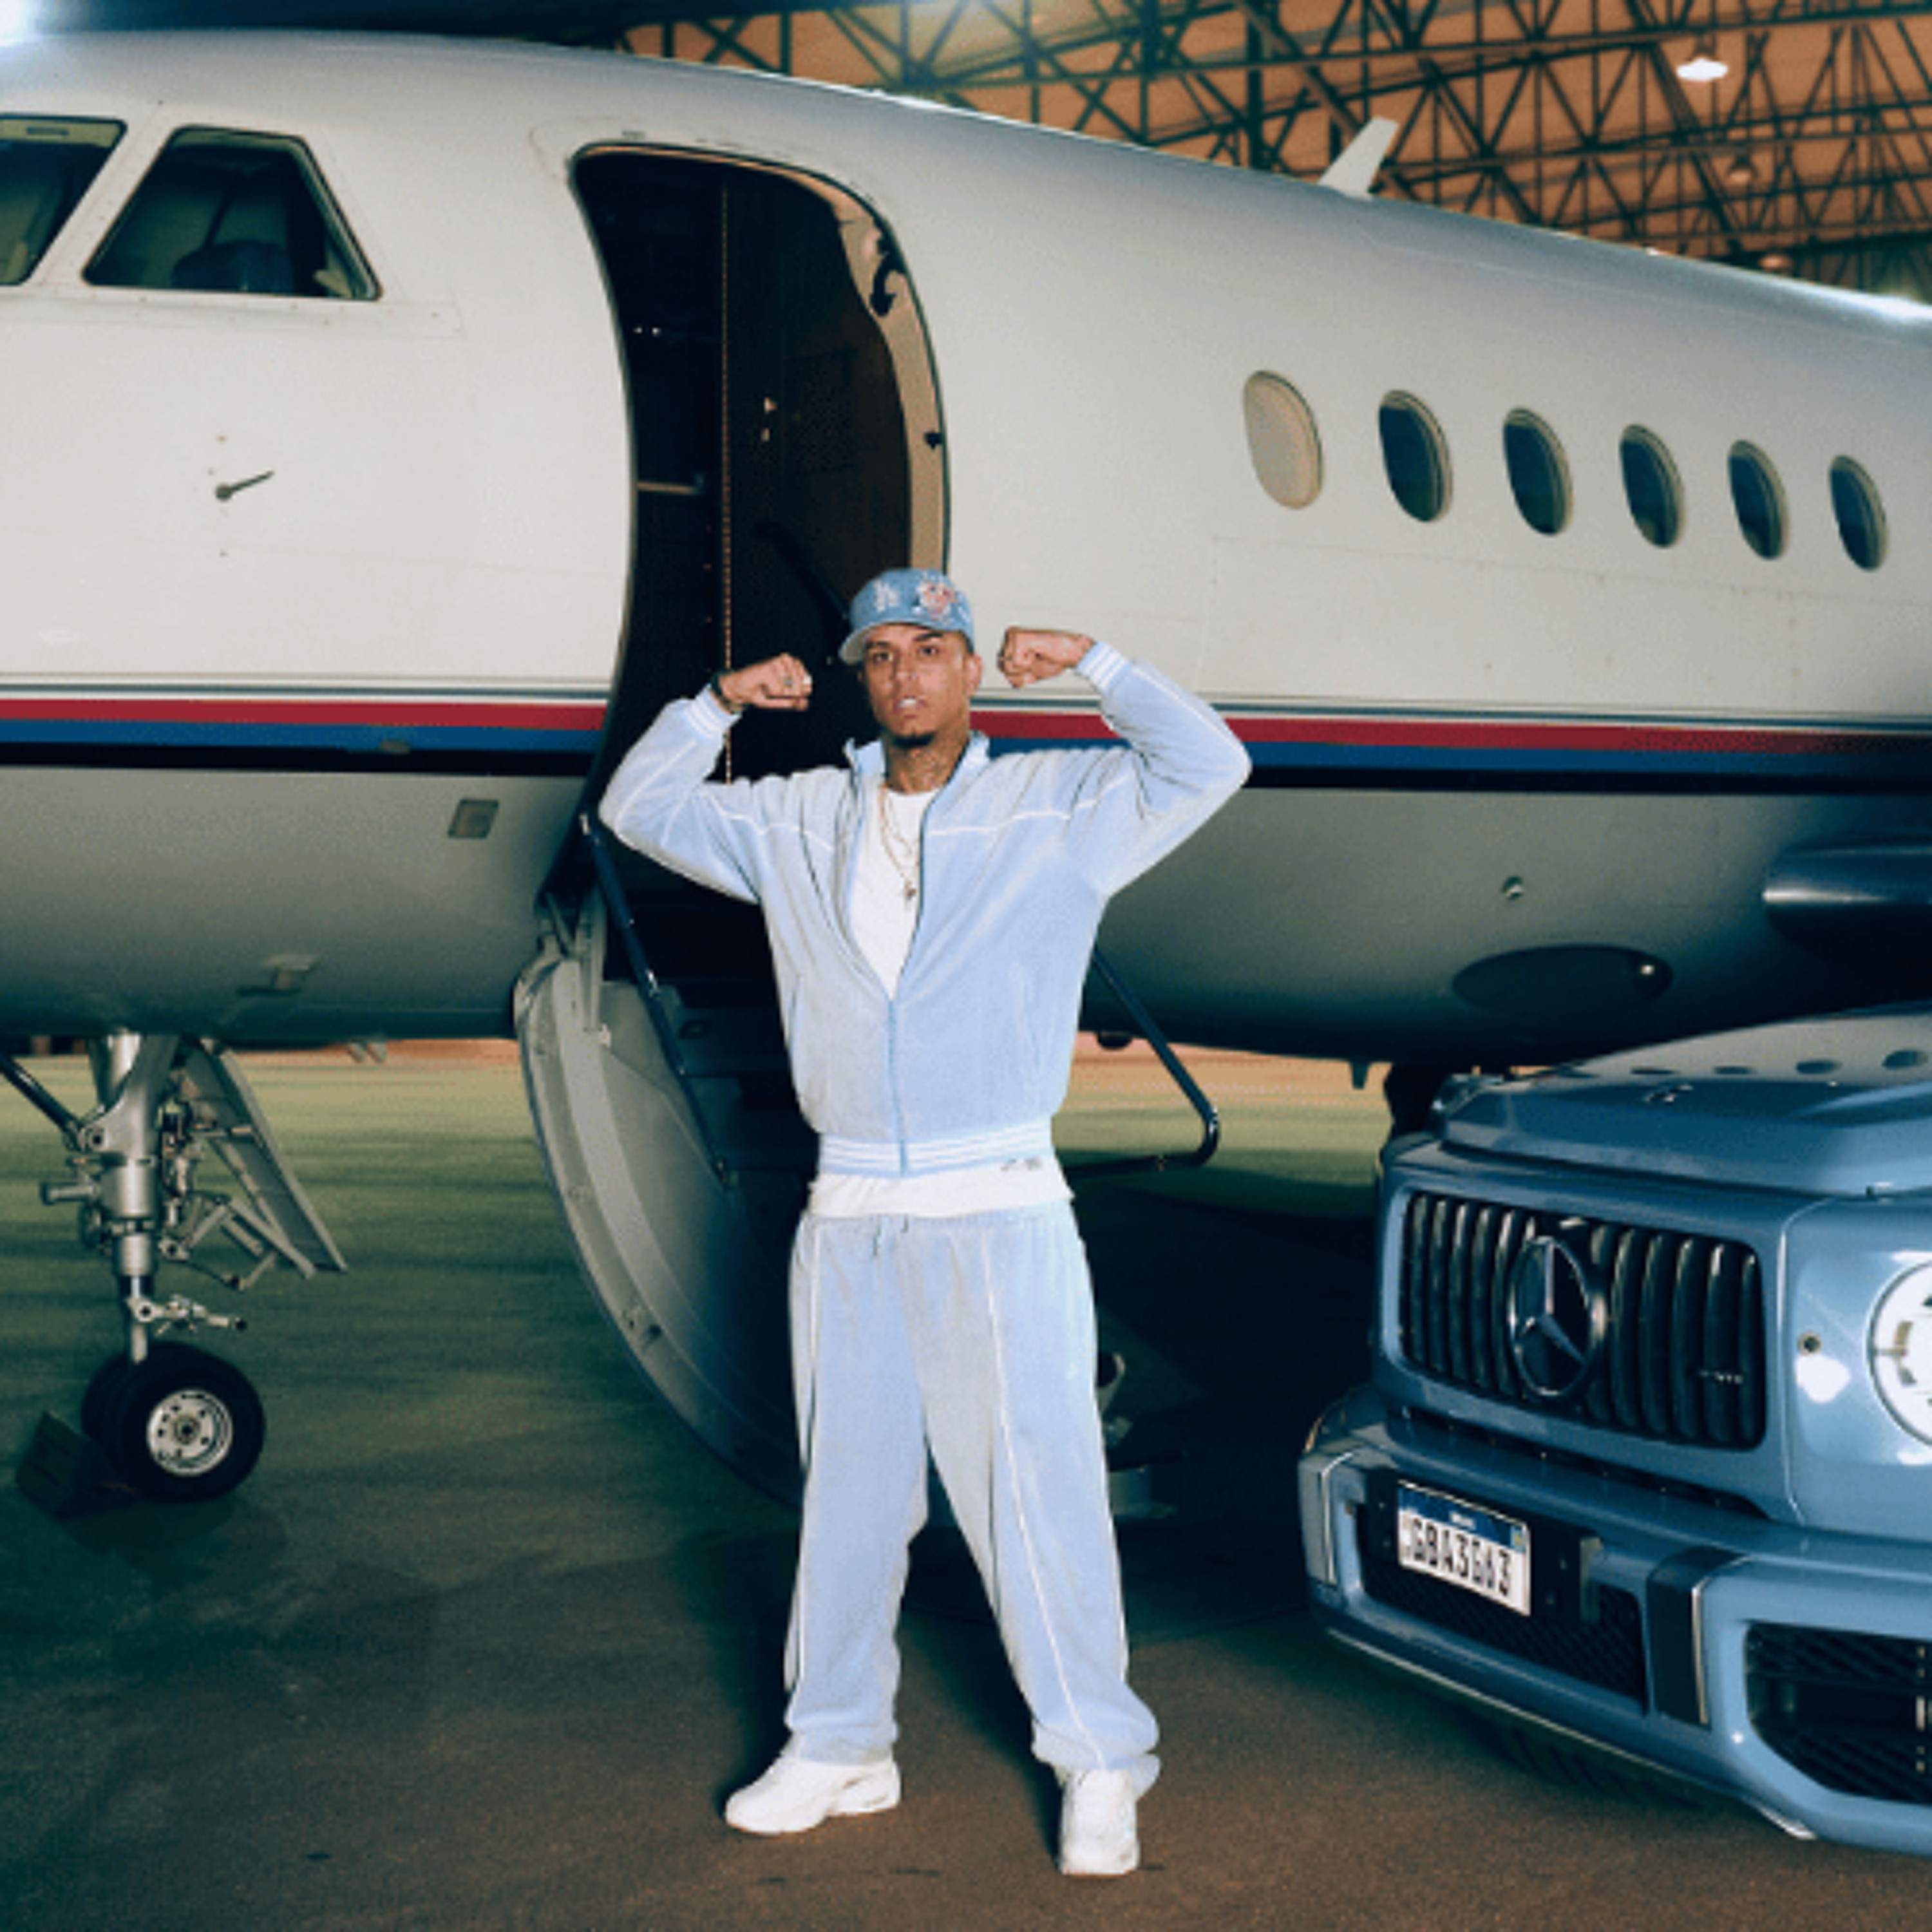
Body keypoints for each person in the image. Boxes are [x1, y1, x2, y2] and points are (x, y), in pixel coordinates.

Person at [598, 567, 1247, 1877]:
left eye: (933, 650)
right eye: (883, 655)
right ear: (861, 677)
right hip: (848, 1212)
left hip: (997, 1201)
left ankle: (1100, 1760)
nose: (908, 675)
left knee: (1034, 1495)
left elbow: (1210, 763)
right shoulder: (797, 818)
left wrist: (1102, 665)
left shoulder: (1056, 806)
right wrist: (716, 705)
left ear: (970, 669)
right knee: (848, 1495)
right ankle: (840, 1743)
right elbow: (638, 808)